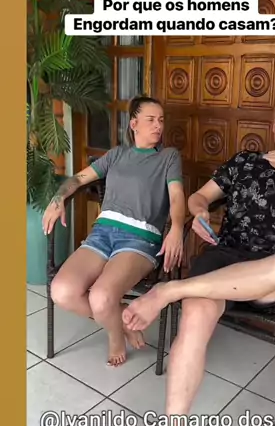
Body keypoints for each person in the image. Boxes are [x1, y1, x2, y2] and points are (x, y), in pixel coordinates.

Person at [122, 90, 275, 426]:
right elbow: (199, 196)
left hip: (268, 277)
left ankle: (170, 290)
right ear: (274, 124)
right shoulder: (245, 162)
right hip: (223, 260)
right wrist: (200, 211)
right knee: (195, 317)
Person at [43, 95, 185, 366]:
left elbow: (177, 197)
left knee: (101, 297)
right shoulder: (117, 154)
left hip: (140, 238)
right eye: (151, 120)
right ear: (134, 124)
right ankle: (122, 318)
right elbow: (78, 179)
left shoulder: (168, 157)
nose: (158, 126)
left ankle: (115, 336)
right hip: (102, 233)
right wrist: (58, 198)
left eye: (161, 120)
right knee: (61, 291)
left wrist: (177, 227)